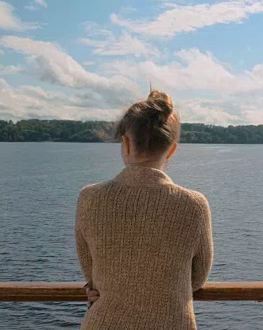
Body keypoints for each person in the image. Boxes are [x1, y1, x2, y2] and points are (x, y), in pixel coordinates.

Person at [75, 90, 214, 329]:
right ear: (171, 149)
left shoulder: (90, 198)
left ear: (126, 143)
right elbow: (198, 278)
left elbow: (92, 274)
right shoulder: (194, 205)